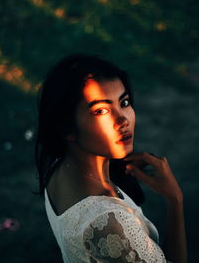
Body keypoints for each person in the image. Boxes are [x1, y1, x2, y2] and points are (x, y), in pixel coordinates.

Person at [35, 53, 187, 263]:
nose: (123, 119)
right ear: (66, 127)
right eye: (101, 110)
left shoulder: (61, 169)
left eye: (123, 102)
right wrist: (175, 200)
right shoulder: (110, 226)